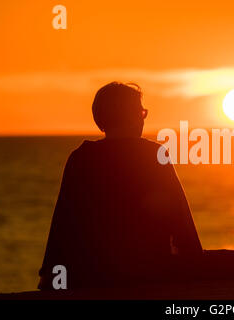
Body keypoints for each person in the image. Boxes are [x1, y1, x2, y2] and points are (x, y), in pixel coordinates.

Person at [38, 82, 202, 290]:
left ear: (101, 120)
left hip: (94, 272)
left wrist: (51, 274)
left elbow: (63, 222)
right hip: (149, 270)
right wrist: (195, 263)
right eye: (142, 112)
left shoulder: (81, 158)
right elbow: (179, 218)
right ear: (134, 116)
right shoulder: (153, 155)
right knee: (231, 260)